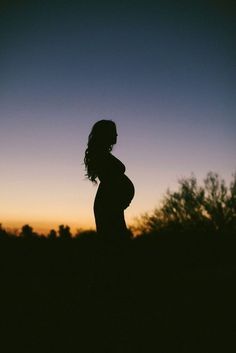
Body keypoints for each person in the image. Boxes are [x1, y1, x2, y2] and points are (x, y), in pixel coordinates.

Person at [84, 120, 135, 240]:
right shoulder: (100, 154)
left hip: (111, 202)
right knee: (114, 240)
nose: (117, 135)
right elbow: (111, 181)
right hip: (108, 203)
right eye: (114, 132)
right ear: (105, 134)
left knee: (117, 239)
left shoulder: (103, 153)